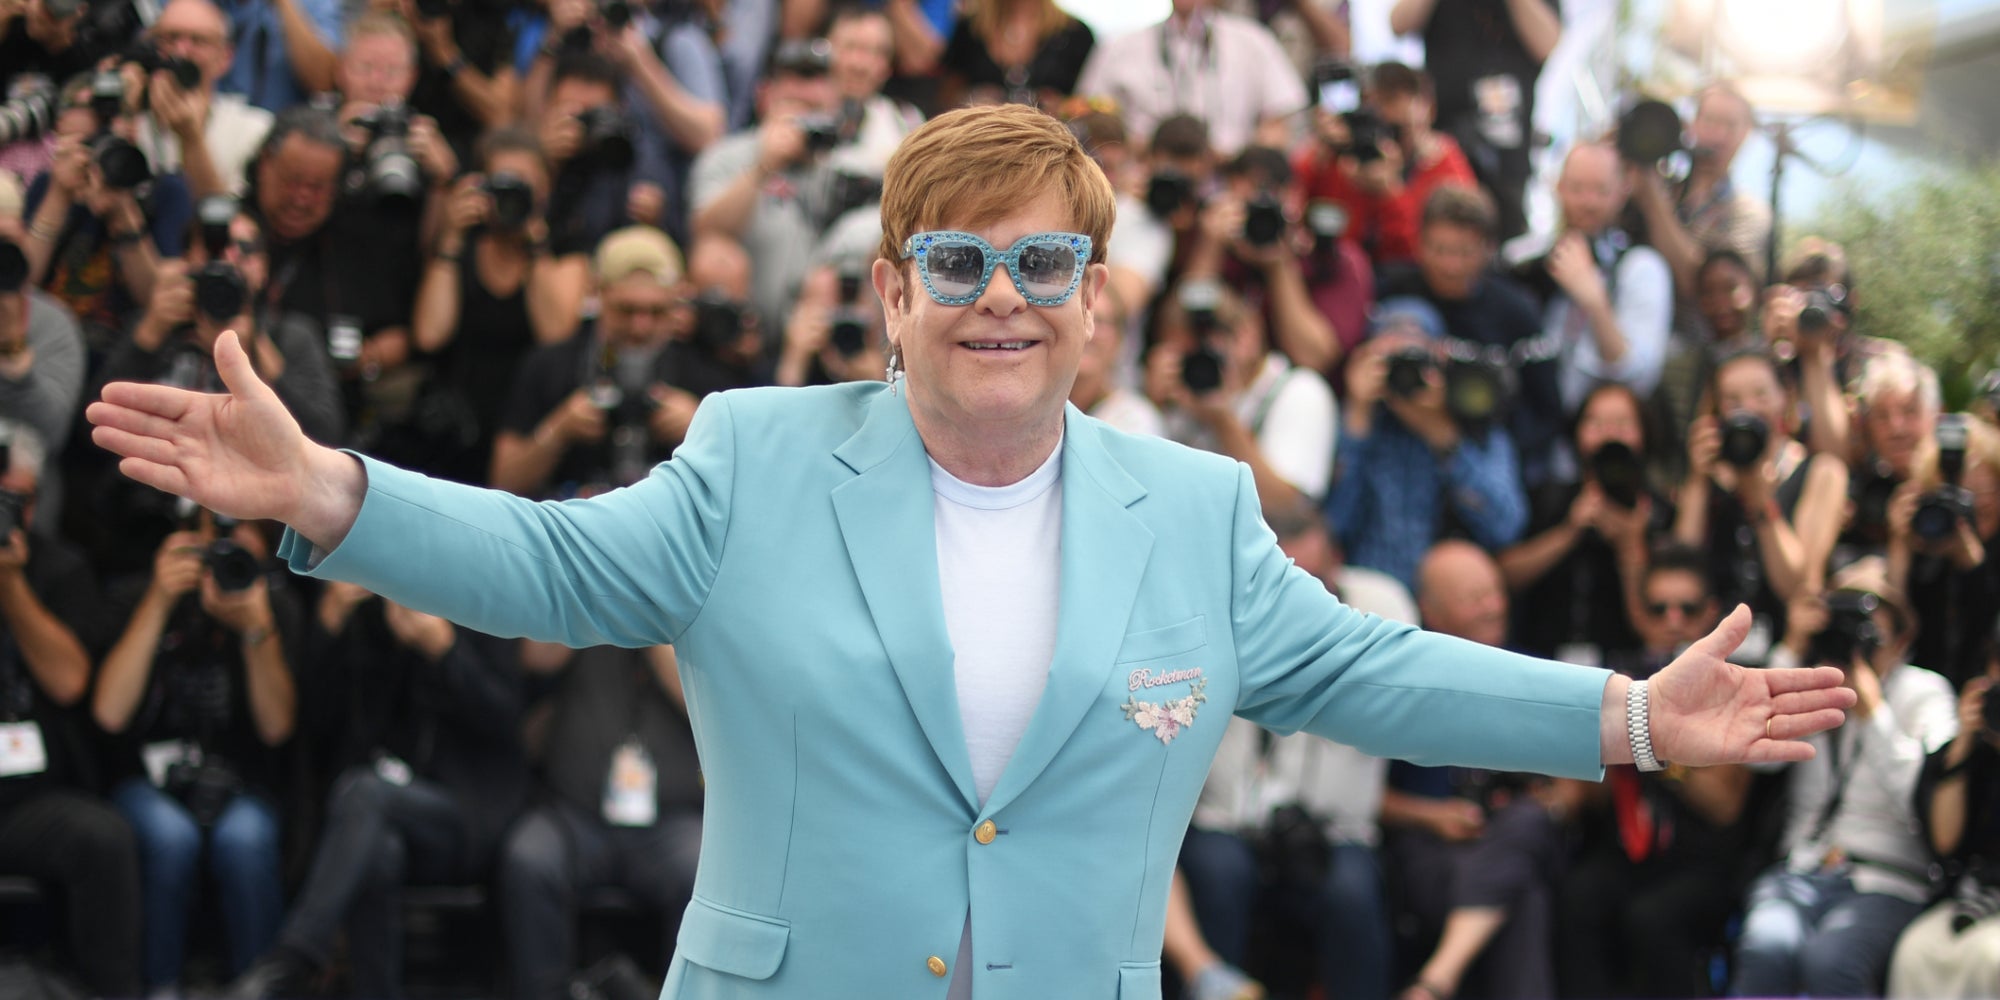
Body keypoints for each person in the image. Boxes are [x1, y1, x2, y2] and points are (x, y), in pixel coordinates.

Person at [88, 102, 1855, 1000]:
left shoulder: (1200, 507)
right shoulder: (751, 454)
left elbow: (1382, 673)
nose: (999, 300)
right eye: (957, 265)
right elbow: (550, 569)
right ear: (889, 297)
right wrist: (329, 496)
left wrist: (1629, 717)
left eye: (1040, 267)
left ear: (1095, 303)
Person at [226, 584, 525, 998]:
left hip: (464, 814)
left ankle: (291, 962)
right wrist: (330, 624)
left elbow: (507, 719)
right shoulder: (370, 618)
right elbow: (313, 727)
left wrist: (444, 650)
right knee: (377, 850)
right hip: (379, 814)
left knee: (365, 793)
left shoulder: (485, 604)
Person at [1170, 496, 1409, 1000]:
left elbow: (1393, 688)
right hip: (1231, 821)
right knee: (1217, 872)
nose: (1300, 601)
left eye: (1314, 582)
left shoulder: (1379, 604)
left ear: (1337, 565)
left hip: (1334, 827)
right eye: (1284, 585)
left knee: (1352, 895)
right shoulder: (1215, 604)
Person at [92, 505, 302, 995]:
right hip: (148, 780)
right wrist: (158, 601)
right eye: (220, 530)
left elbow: (277, 729)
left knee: (245, 840)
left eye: (249, 530)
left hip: (241, 780)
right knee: (170, 837)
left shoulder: (275, 606)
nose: (233, 544)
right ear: (189, 535)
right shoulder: (138, 595)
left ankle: (259, 987)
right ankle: (159, 987)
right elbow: (109, 713)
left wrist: (255, 628)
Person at [1730, 558, 1957, 998]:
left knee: (1832, 961)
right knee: (1766, 947)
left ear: (1903, 634)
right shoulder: (1813, 682)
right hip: (1803, 867)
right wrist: (1793, 647)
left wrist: (1874, 714)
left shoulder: (1925, 692)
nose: (1855, 636)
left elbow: (1925, 802)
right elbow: (1758, 758)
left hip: (1887, 878)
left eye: (1868, 622)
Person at [1556, 544, 1757, 999]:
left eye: (1685, 609)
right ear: (1638, 612)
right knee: (1578, 896)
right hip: (1625, 850)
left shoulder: (1731, 684)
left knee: (1652, 918)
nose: (1671, 621)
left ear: (1709, 613)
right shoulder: (1617, 680)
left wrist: (1654, 745)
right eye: (1657, 608)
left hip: (1700, 862)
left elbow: (1725, 806)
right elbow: (1584, 800)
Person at [1382, 540, 1575, 1000]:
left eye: (1496, 592)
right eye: (1474, 599)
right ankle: (1438, 978)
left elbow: (1580, 781)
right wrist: (1433, 816)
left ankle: (1436, 980)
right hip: (1435, 850)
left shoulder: (1537, 673)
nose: (1493, 607)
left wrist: (1558, 799)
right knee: (1522, 897)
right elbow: (1361, 796)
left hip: (1517, 835)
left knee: (1528, 823)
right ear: (1433, 611)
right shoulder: (1399, 683)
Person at [0, 421, 144, 998]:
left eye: (17, 501)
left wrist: (11, 585)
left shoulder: (60, 569)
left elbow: (68, 682)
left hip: (27, 799)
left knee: (102, 837)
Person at [1327, 298, 1527, 590]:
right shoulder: (1350, 423)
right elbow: (1332, 526)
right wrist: (1357, 419)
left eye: (1416, 359)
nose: (1404, 374)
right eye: (1391, 362)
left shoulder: (1476, 427)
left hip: (1449, 606)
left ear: (1440, 360)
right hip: (1372, 602)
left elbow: (1506, 527)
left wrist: (1444, 439)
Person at [1673, 349, 1847, 660]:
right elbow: (1682, 567)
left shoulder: (1822, 472)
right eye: (1733, 400)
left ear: (1786, 397)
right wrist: (1697, 481)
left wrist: (1760, 501)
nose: (1748, 409)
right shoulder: (1708, 474)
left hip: (1788, 656)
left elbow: (1799, 586)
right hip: (1708, 655)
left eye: (1761, 395)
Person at [1499, 382, 1671, 665]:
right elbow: (1504, 576)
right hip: (1543, 660)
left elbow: (1662, 622)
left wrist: (1630, 545)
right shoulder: (1547, 498)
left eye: (1622, 423)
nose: (1609, 433)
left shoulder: (1659, 511)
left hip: (1628, 667)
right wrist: (1569, 531)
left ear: (1644, 435)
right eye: (1596, 422)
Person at [1506, 141, 1673, 421]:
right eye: (1577, 189)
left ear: (1622, 192)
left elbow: (1638, 378)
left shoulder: (1642, 267)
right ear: (1557, 187)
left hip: (1598, 435)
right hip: (1526, 421)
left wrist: (1594, 301)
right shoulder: (1520, 258)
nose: (1589, 203)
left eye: (1601, 191)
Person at [1144, 279, 1336, 508]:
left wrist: (1223, 421)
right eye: (1191, 339)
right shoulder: (1174, 390)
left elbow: (1289, 508)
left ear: (1249, 333)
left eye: (1218, 333)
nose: (1205, 349)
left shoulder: (1299, 391)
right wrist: (1151, 407)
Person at [1387, 0, 1560, 242]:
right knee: (1445, 239)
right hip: (1443, 146)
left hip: (1507, 154)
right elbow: (1398, 24)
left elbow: (1551, 46)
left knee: (1505, 242)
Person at [1885, 639, 2000, 999]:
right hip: (1973, 896)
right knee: (1914, 951)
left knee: (1989, 958)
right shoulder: (1973, 750)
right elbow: (1945, 840)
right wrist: (1964, 742)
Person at [1295, 61, 1475, 270]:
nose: (1386, 140)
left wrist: (1390, 194)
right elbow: (1308, 222)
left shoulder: (1447, 173)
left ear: (1428, 110)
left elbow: (1431, 261)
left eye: (1396, 129)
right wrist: (1321, 155)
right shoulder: (1345, 160)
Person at [1073, 0, 1307, 157]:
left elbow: (1281, 123)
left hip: (1225, 189)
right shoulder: (1120, 47)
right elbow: (1085, 116)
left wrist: (1233, 159)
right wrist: (1134, 151)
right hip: (1142, 188)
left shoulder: (1254, 42)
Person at [131, 0, 276, 200]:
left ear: (225, 58)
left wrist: (191, 139)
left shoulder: (256, 130)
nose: (181, 52)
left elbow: (220, 220)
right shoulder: (131, 121)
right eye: (171, 38)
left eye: (198, 41)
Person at [937, 0, 1094, 112]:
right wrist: (973, 102)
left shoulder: (1076, 35)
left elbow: (1089, 105)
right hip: (977, 142)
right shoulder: (968, 29)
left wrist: (1060, 107)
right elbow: (947, 97)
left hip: (1051, 147)